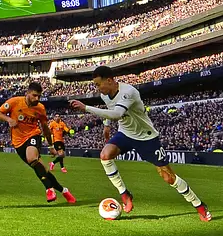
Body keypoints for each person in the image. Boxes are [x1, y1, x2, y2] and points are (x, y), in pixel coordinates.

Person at [70, 66, 211, 222]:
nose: (97, 88)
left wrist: (86, 108)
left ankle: (199, 205)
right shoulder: (105, 95)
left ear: (109, 80)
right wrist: (106, 125)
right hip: (125, 133)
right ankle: (125, 194)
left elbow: (117, 113)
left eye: (98, 84)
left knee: (168, 178)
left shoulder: (128, 92)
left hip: (146, 137)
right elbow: (111, 110)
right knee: (105, 155)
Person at [0, 82, 75, 204]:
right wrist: (9, 119)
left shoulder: (40, 108)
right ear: (27, 93)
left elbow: (45, 128)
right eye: (34, 95)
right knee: (42, 169)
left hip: (33, 135)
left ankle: (49, 189)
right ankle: (64, 190)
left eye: (39, 96)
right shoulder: (14, 102)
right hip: (18, 142)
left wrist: (51, 146)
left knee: (32, 158)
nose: (37, 99)